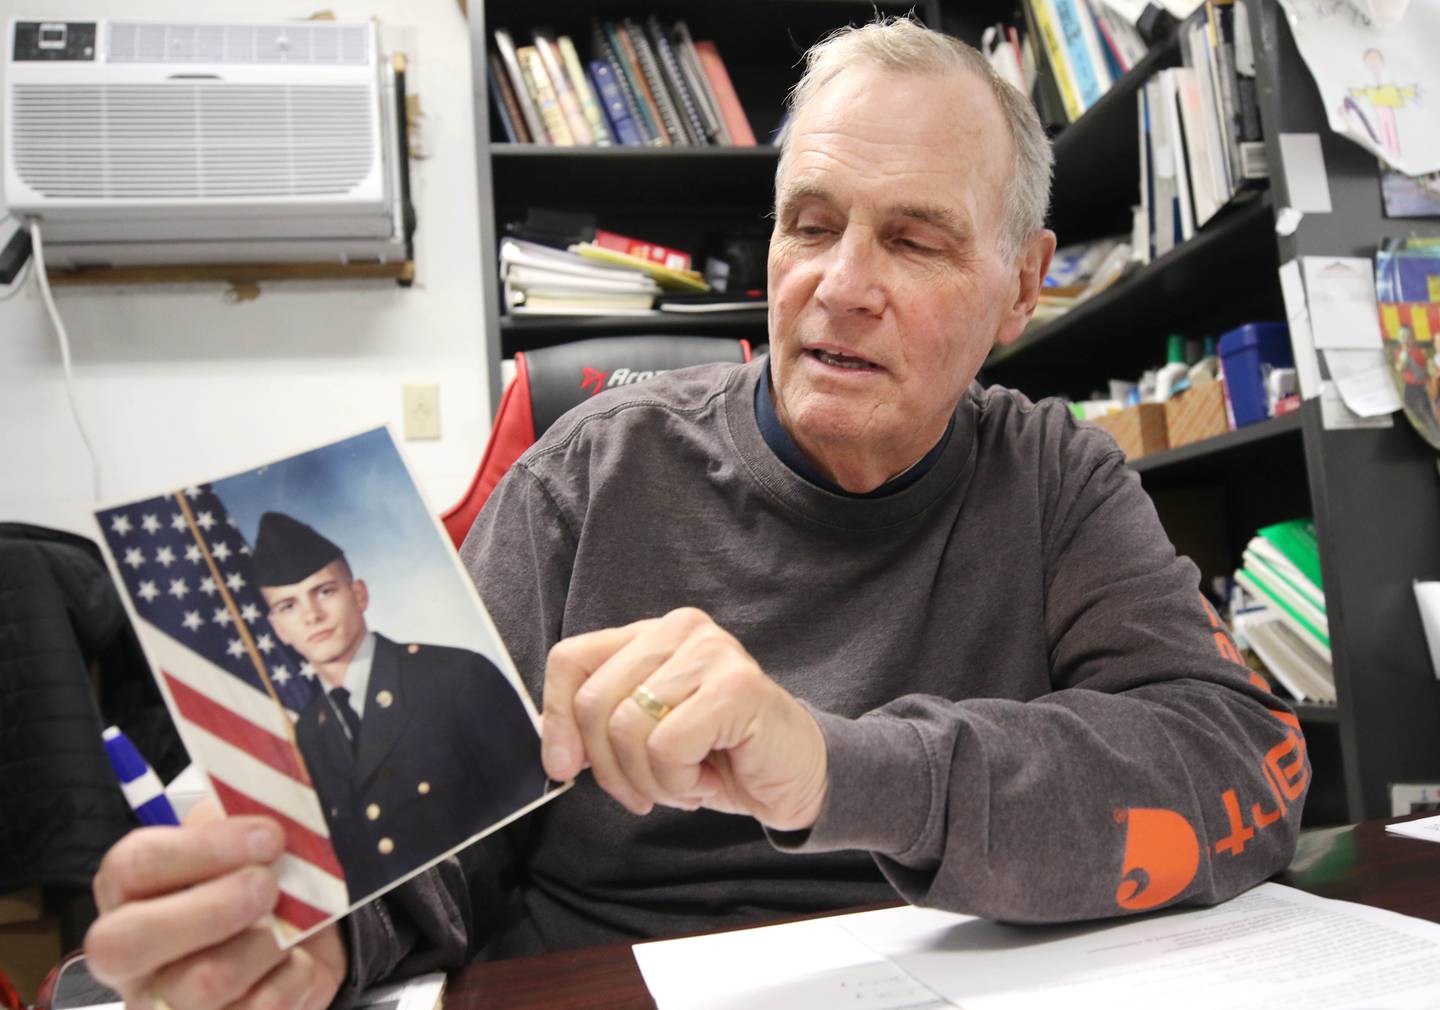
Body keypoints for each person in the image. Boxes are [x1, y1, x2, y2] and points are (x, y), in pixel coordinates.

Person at [83, 18, 1308, 1010]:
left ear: (1020, 288)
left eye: (916, 242)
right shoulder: (590, 474)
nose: (840, 285)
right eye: (811, 225)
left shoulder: (1055, 479)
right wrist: (315, 944)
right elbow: (428, 836)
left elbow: (1241, 764)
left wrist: (838, 764)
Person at [252, 511, 548, 903]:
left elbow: (542, 830)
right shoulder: (310, 729)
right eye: (288, 605)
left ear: (359, 594)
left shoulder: (456, 677)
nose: (311, 615)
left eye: (324, 591)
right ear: (278, 629)